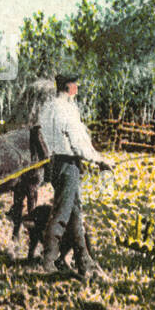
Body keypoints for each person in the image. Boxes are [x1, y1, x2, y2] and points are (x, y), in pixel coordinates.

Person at [35, 73, 112, 277]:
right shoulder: (67, 110)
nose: (77, 89)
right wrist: (99, 160)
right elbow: (78, 144)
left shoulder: (48, 108)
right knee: (62, 212)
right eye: (76, 85)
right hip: (69, 164)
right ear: (69, 87)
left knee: (75, 212)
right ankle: (49, 260)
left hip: (54, 163)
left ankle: (83, 259)